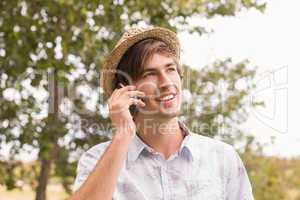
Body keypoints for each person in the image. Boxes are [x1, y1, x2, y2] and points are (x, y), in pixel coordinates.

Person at [70, 26, 254, 200]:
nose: (166, 82)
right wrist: (122, 134)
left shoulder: (222, 158)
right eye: (150, 74)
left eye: (170, 69)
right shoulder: (96, 160)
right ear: (126, 90)